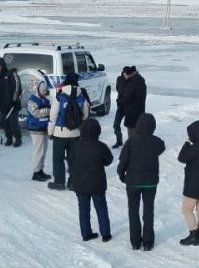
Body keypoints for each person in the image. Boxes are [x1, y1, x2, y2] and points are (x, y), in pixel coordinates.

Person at [117, 113, 165, 251]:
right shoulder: (156, 142)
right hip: (150, 183)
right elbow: (162, 147)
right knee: (148, 211)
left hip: (133, 182)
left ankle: (135, 241)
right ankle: (148, 242)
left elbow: (123, 160)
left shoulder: (131, 141)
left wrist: (121, 174)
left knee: (133, 211)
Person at [69, 119, 114, 242]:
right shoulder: (100, 146)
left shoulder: (75, 146)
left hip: (80, 184)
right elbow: (109, 161)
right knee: (101, 208)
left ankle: (86, 233)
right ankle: (105, 234)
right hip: (97, 183)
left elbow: (71, 162)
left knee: (83, 209)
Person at [47, 73, 90, 191]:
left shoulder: (59, 97)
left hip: (60, 133)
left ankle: (59, 182)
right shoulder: (81, 96)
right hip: (75, 134)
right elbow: (85, 115)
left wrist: (50, 133)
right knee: (73, 159)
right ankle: (73, 183)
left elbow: (53, 117)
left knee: (58, 158)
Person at [0, 57, 22, 148]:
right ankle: (9, 138)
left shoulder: (11, 74)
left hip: (12, 104)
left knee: (13, 123)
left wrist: (14, 100)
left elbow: (17, 87)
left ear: (3, 65)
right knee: (5, 122)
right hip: (2, 104)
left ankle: (18, 139)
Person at [25, 80, 52, 181]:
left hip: (43, 128)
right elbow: (36, 113)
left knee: (43, 151)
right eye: (43, 91)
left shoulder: (44, 100)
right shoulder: (32, 101)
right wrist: (49, 111)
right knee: (38, 151)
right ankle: (36, 172)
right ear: (37, 90)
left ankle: (41, 170)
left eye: (45, 90)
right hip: (36, 129)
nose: (45, 92)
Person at [121, 66, 147, 140]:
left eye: (125, 74)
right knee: (139, 131)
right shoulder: (141, 81)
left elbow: (126, 98)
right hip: (140, 111)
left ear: (130, 74)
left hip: (131, 113)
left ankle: (132, 148)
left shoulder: (132, 84)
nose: (124, 75)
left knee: (132, 135)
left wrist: (119, 101)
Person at [112, 65, 130, 148]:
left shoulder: (133, 81)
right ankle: (119, 141)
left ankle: (133, 143)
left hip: (130, 107)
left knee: (132, 126)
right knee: (116, 124)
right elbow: (120, 89)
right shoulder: (119, 79)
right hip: (121, 106)